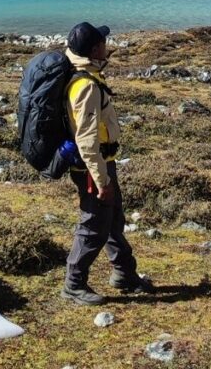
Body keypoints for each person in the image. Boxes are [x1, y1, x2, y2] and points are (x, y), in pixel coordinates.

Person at [60, 22, 155, 306]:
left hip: (102, 162)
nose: (107, 46)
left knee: (113, 219)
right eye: (103, 42)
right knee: (93, 225)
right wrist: (101, 181)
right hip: (93, 168)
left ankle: (124, 273)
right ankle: (73, 284)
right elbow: (86, 139)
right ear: (94, 49)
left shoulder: (84, 74)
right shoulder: (86, 86)